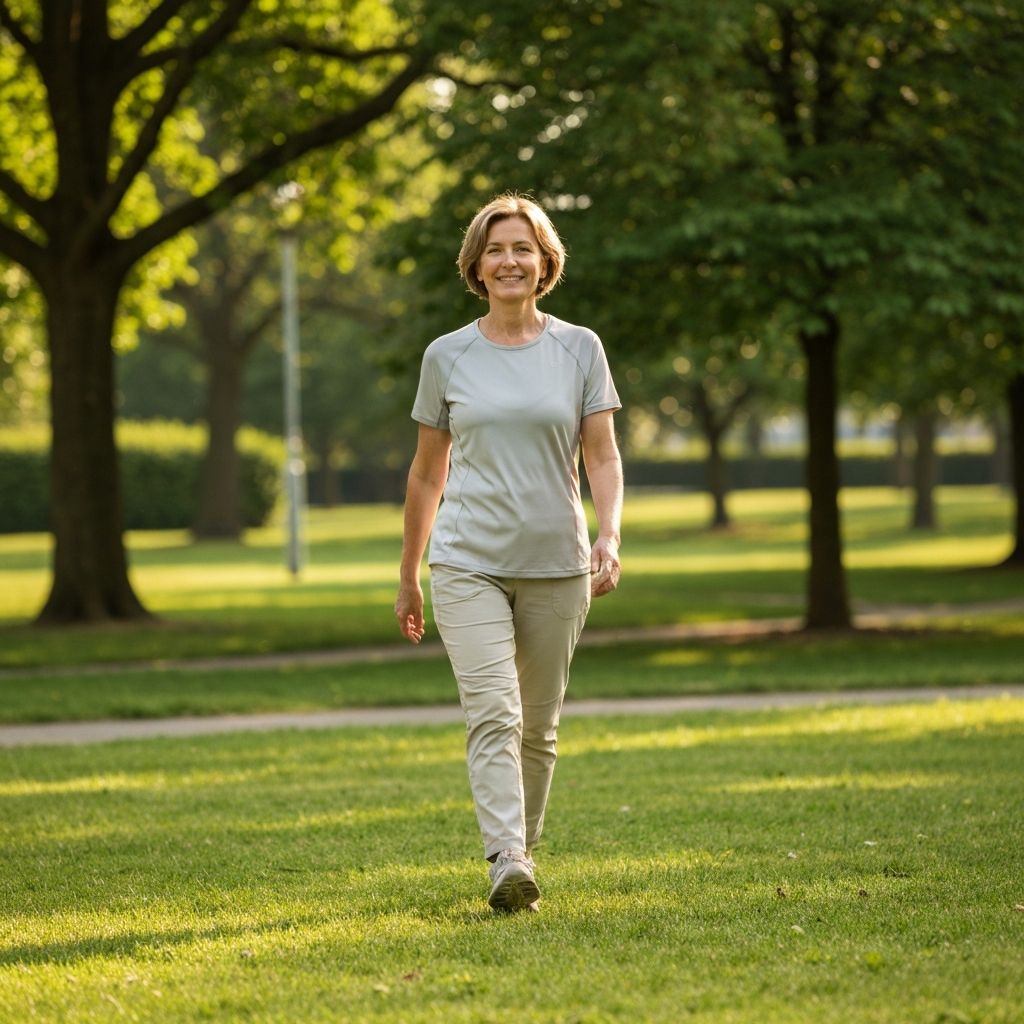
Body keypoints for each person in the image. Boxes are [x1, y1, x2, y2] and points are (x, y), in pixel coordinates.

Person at [394, 193, 623, 913]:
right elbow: (426, 473)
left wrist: (609, 533)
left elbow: (602, 456)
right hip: (467, 561)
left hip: (559, 562)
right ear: (477, 264)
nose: (509, 260)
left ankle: (521, 851)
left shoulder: (580, 348)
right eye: (495, 249)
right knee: (495, 710)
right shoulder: (447, 355)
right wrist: (409, 573)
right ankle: (507, 859)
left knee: (538, 726)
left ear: (545, 261)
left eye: (523, 247)